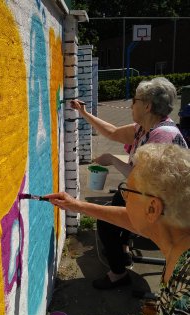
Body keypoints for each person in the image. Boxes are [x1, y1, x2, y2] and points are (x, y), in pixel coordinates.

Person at [45, 143, 190, 315]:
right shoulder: (174, 233)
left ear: (152, 208)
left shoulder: (185, 287)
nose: (124, 198)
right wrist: (77, 205)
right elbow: (130, 218)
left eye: (128, 191)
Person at [70, 77, 188, 290]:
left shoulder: (163, 135)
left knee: (106, 223)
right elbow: (112, 132)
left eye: (134, 100)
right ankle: (122, 249)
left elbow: (140, 181)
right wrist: (84, 113)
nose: (131, 105)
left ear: (147, 105)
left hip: (161, 208)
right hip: (139, 194)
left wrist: (113, 160)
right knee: (118, 204)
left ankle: (118, 273)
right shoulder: (143, 128)